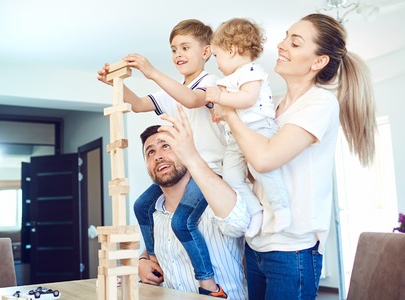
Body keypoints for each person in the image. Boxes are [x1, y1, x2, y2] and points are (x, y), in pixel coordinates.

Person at [214, 13, 377, 299]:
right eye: (286, 36)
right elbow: (257, 168)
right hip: (258, 245)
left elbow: (265, 159)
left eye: (295, 42)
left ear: (318, 62)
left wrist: (229, 113)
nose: (282, 45)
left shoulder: (320, 104)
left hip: (293, 251)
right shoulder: (274, 109)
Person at [97, 19, 227, 295]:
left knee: (182, 221)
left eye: (185, 47)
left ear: (206, 52)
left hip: (208, 172)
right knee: (142, 205)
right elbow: (140, 104)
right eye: (173, 49)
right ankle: (153, 255)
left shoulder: (211, 83)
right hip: (187, 171)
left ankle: (208, 283)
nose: (178, 54)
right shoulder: (174, 91)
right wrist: (115, 84)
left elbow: (193, 100)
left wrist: (152, 72)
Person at [137, 119, 250, 299]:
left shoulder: (216, 203)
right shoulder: (155, 215)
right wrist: (143, 259)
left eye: (166, 146)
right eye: (150, 152)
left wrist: (193, 159)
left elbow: (240, 223)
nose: (157, 156)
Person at [206, 18, 291, 237]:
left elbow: (247, 99)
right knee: (231, 177)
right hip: (236, 137)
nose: (216, 63)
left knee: (260, 170)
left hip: (258, 129)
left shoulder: (251, 71)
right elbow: (231, 111)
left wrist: (221, 96)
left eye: (217, 56)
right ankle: (256, 211)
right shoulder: (229, 78)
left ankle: (282, 208)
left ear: (232, 49)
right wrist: (220, 114)